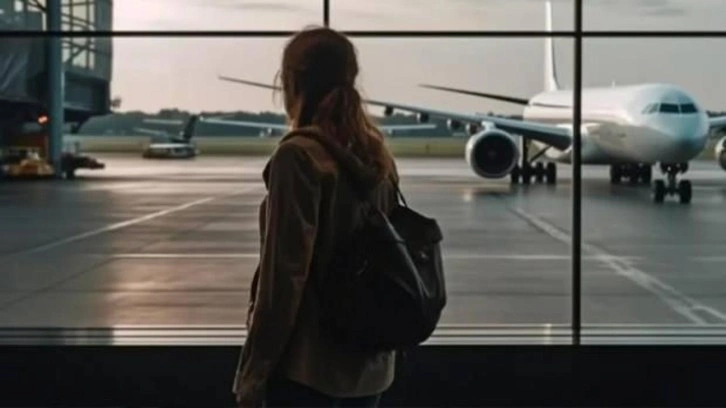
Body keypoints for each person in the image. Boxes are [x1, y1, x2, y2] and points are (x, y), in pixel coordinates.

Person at [233, 26, 399, 407]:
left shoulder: (298, 157)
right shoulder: (378, 159)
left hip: (308, 371)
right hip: (368, 370)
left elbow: (284, 279)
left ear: (291, 82)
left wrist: (254, 371)